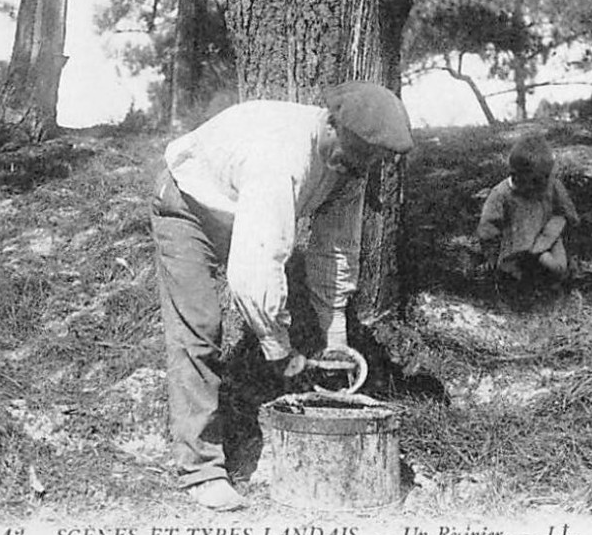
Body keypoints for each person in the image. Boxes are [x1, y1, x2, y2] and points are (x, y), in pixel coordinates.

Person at [151, 81, 413, 511]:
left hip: (241, 208)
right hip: (189, 206)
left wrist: (336, 335)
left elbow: (335, 250)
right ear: (331, 124)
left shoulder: (351, 166)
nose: (361, 165)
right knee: (199, 328)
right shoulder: (281, 157)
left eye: (372, 159)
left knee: (262, 278)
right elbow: (252, 274)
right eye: (356, 153)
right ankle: (201, 469)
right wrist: (280, 350)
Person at [477, 133, 579, 285]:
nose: (542, 186)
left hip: (548, 241)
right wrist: (491, 256)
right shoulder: (502, 194)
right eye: (536, 181)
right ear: (516, 176)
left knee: (558, 268)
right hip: (517, 246)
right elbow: (488, 227)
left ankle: (551, 281)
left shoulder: (551, 185)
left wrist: (566, 244)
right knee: (512, 274)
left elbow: (567, 213)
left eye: (546, 179)